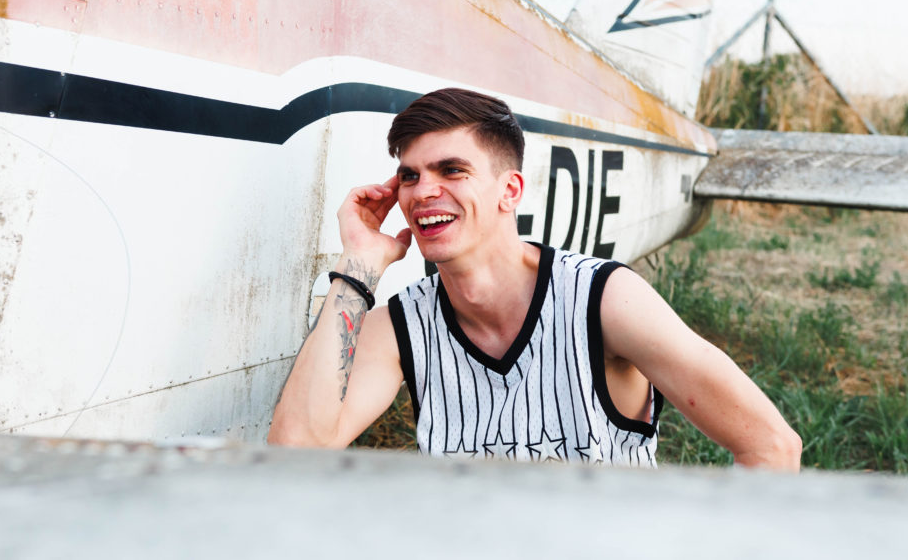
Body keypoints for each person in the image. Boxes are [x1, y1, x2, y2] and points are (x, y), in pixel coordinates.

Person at [268, 88, 802, 469]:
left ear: (510, 191)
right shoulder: (404, 325)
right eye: (410, 175)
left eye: (451, 170)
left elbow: (771, 446)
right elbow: (294, 454)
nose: (423, 190)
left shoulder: (603, 300)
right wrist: (358, 265)